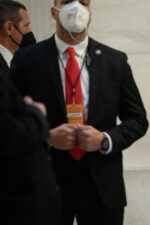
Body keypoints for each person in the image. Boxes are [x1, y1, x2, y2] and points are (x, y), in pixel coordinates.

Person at [10, 0, 149, 224]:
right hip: (45, 184)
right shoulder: (27, 60)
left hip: (103, 188)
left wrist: (105, 139)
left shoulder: (115, 61)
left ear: (90, 13)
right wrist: (46, 137)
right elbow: (8, 122)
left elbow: (138, 120)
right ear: (54, 11)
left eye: (83, 2)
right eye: (67, 1)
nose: (76, 7)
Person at [0, 1, 61, 225]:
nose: (30, 32)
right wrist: (37, 115)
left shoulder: (21, 61)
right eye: (26, 25)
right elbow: (8, 128)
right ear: (9, 28)